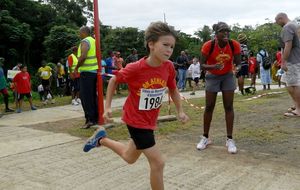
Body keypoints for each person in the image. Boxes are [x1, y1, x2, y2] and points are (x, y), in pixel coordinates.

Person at [83, 21, 189, 190]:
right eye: (165, 45)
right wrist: (108, 106)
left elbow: (173, 89)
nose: (169, 50)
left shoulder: (168, 67)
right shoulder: (136, 68)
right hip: (136, 121)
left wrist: (180, 111)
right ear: (151, 45)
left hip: (149, 120)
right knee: (158, 162)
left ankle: (101, 139)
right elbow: (113, 80)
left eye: (172, 47)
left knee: (129, 157)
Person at [196, 22, 241, 154]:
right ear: (216, 34)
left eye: (228, 30)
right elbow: (202, 65)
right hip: (212, 76)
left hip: (227, 76)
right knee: (209, 106)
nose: (226, 33)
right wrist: (213, 67)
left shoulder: (234, 44)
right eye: (223, 31)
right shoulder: (208, 46)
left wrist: (235, 70)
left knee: (228, 106)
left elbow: (238, 63)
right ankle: (205, 137)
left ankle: (229, 139)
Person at [275, 13, 300, 117]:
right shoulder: (294, 25)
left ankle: (298, 109)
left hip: (292, 61)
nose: (277, 24)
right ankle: (296, 105)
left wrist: (283, 61)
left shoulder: (287, 27)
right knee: (288, 82)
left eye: (277, 22)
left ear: (281, 19)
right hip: (295, 59)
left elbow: (287, 45)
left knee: (293, 84)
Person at [74, 26, 99, 128]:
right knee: (92, 96)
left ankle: (90, 120)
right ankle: (95, 118)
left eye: (79, 32)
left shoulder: (85, 41)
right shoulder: (93, 40)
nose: (79, 34)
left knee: (86, 97)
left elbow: (83, 56)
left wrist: (76, 67)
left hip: (86, 72)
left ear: (84, 32)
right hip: (93, 71)